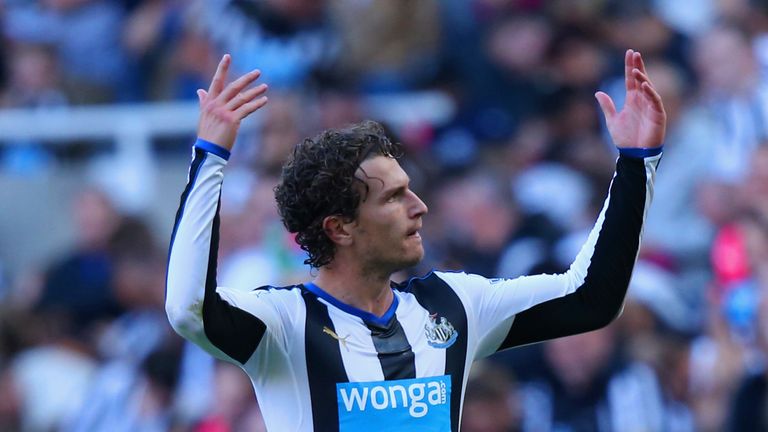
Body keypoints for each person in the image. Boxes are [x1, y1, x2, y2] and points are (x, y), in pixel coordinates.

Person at [165, 50, 666, 431]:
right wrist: (210, 156)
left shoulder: (454, 304)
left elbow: (591, 298)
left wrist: (636, 162)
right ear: (340, 228)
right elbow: (188, 309)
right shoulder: (284, 323)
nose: (420, 207)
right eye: (395, 197)